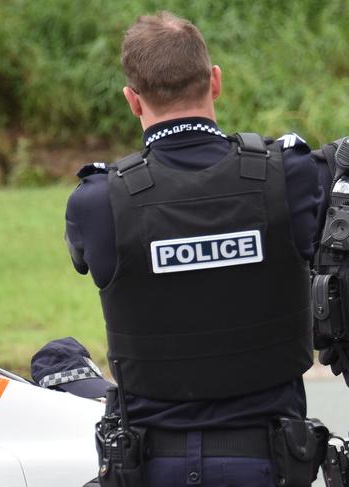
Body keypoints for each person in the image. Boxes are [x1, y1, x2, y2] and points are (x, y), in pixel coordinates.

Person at [65, 11, 335, 487]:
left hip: (152, 466)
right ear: (215, 82)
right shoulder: (289, 177)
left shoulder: (97, 201)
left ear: (132, 101)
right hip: (268, 462)